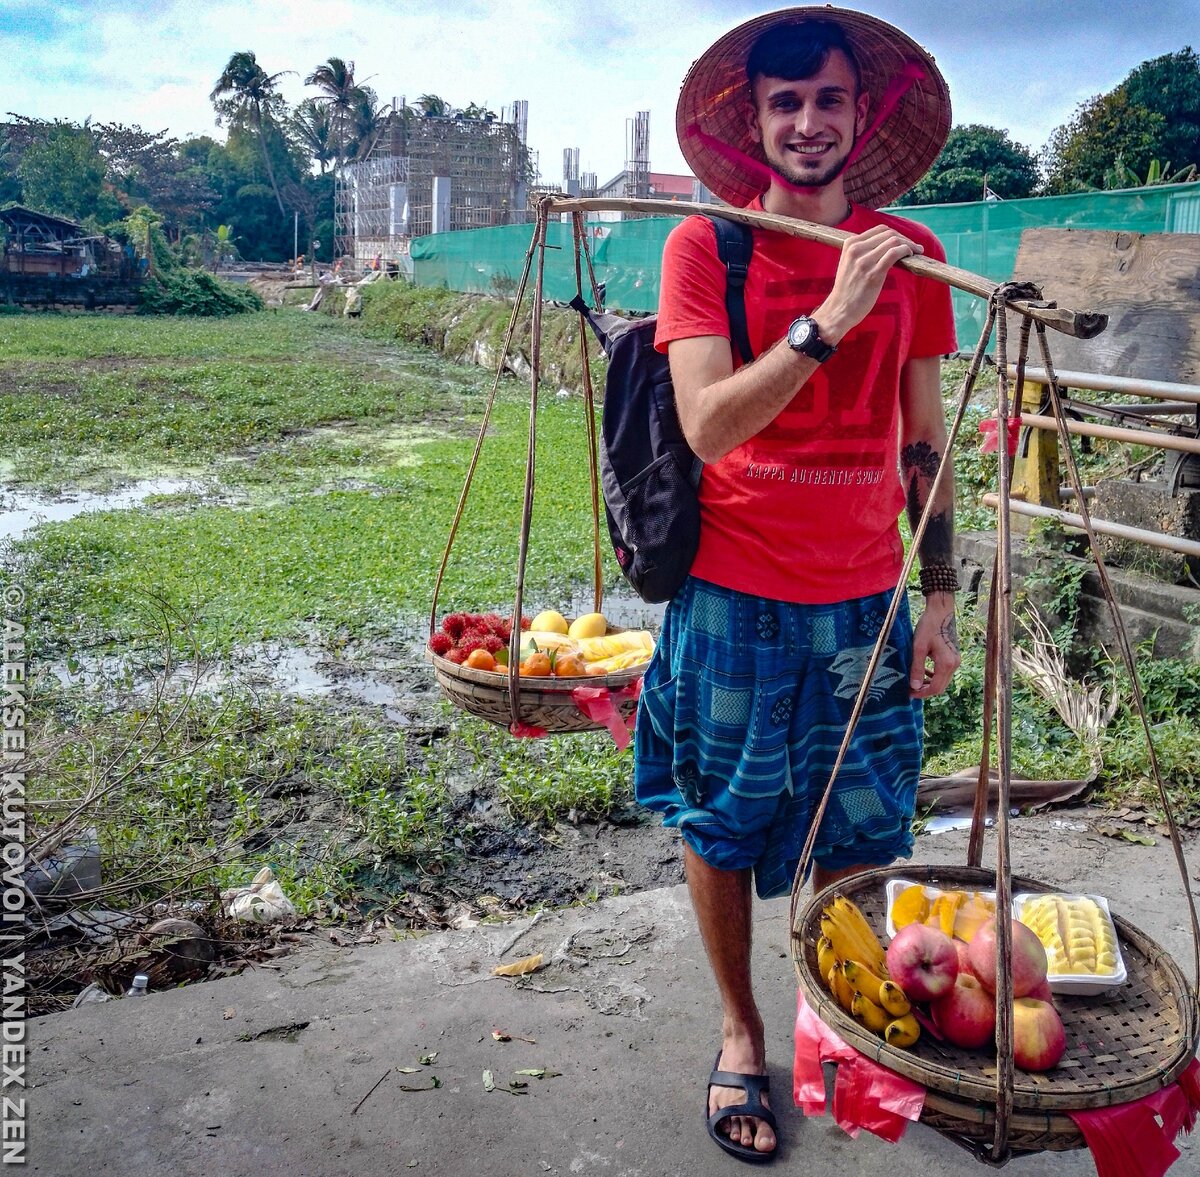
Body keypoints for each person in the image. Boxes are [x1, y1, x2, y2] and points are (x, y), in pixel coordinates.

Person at [634, 8, 961, 1163]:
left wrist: (943, 595)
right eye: (787, 102)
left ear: (859, 116)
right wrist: (829, 320)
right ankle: (739, 1028)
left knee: (864, 835)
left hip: (866, 603)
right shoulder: (707, 248)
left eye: (828, 99)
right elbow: (712, 426)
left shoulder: (910, 250)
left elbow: (924, 440)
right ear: (754, 122)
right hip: (734, 598)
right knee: (722, 827)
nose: (808, 121)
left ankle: (835, 1016)